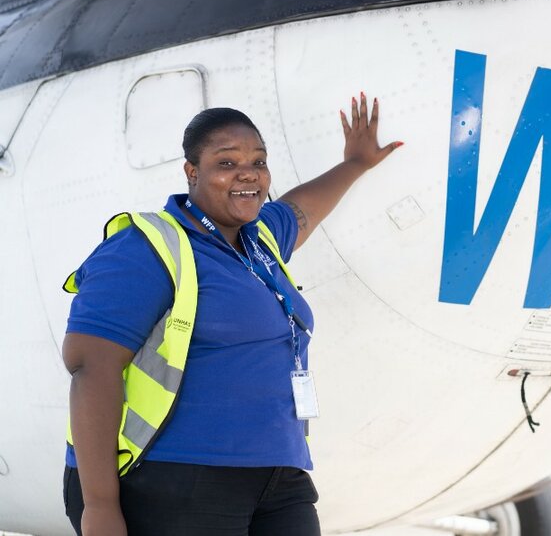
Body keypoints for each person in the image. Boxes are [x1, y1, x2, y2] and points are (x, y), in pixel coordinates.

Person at [61, 93, 400, 536]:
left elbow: (303, 209)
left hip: (279, 477)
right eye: (227, 163)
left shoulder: (259, 242)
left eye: (258, 162)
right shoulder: (148, 246)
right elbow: (91, 368)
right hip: (176, 477)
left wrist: (355, 163)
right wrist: (99, 507)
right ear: (192, 172)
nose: (248, 174)